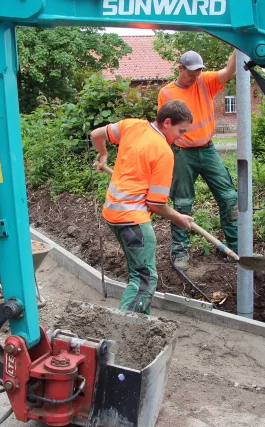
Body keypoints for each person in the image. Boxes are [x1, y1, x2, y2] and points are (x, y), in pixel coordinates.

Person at [91, 100, 194, 315]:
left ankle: (141, 324)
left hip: (113, 213)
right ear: (167, 122)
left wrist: (103, 154)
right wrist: (178, 218)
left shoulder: (132, 126)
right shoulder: (163, 152)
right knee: (145, 279)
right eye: (180, 130)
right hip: (132, 220)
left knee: (138, 272)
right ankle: (125, 328)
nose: (181, 136)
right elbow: (156, 204)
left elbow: (96, 135)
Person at [158, 49, 238, 269]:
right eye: (191, 72)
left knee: (230, 196)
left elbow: (229, 70)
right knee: (183, 202)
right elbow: (165, 128)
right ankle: (180, 250)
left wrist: (236, 45)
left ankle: (235, 246)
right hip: (183, 153)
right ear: (180, 68)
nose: (195, 76)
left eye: (199, 72)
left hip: (208, 149)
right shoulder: (167, 93)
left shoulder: (205, 81)